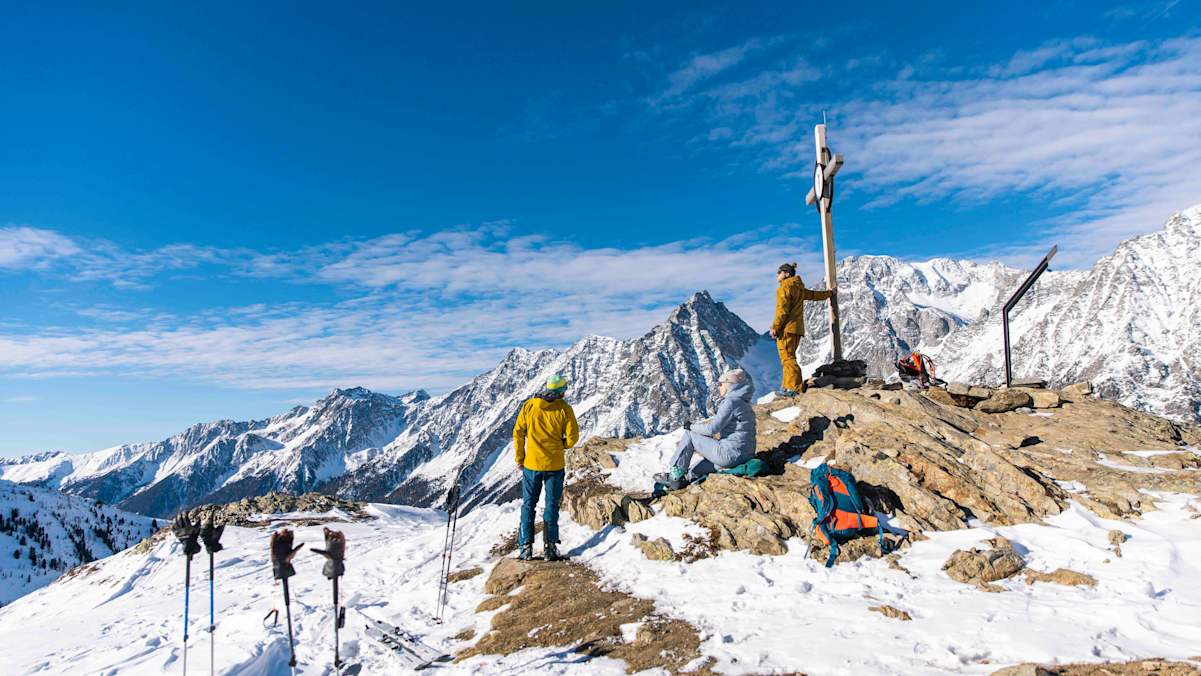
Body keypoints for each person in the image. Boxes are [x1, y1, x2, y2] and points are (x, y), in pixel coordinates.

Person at [653, 369, 757, 491]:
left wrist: (691, 426)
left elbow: (712, 429)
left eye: (720, 384)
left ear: (729, 385)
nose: (719, 387)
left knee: (689, 435)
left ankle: (674, 478)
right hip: (744, 456)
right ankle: (680, 482)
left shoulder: (731, 402)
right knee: (694, 471)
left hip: (729, 455)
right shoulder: (745, 403)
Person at [513, 373, 579, 561]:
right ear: (560, 392)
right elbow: (573, 437)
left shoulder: (530, 406)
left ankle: (525, 547)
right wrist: (562, 445)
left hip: (532, 464)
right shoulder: (565, 410)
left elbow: (518, 433)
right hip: (555, 465)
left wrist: (520, 457)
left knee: (529, 505)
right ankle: (550, 548)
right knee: (551, 505)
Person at [771, 262, 833, 396]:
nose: (777, 275)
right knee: (789, 357)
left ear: (786, 274)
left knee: (787, 359)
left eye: (779, 272)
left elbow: (782, 310)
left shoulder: (784, 288)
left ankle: (794, 388)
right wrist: (829, 293)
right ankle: (787, 387)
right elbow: (813, 295)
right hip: (797, 329)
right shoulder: (798, 288)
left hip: (786, 329)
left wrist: (775, 327)